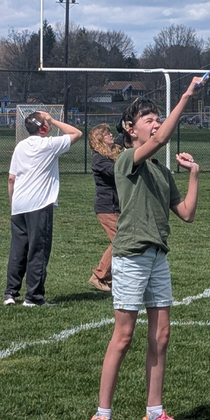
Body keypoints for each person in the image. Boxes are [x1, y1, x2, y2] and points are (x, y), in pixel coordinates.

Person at [88, 77, 205, 420]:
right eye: (148, 119)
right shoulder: (127, 160)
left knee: (161, 334)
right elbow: (160, 140)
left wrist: (195, 176)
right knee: (123, 336)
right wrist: (186, 95)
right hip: (131, 256)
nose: (155, 123)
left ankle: (154, 414)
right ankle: (101, 416)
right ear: (130, 129)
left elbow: (185, 213)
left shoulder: (161, 171)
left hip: (157, 257)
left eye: (157, 117)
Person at [5, 110, 83, 307]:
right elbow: (76, 134)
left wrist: (13, 204)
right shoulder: (49, 145)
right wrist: (53, 120)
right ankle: (34, 297)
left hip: (19, 205)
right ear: (45, 128)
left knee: (18, 250)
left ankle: (10, 294)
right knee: (38, 250)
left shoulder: (20, 146)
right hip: (39, 204)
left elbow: (11, 178)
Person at [88, 123, 123, 293]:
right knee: (119, 240)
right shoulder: (99, 159)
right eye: (107, 134)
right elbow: (116, 171)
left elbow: (123, 136)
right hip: (106, 206)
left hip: (116, 205)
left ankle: (106, 276)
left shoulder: (109, 153)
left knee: (120, 239)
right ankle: (99, 275)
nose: (111, 136)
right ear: (99, 140)